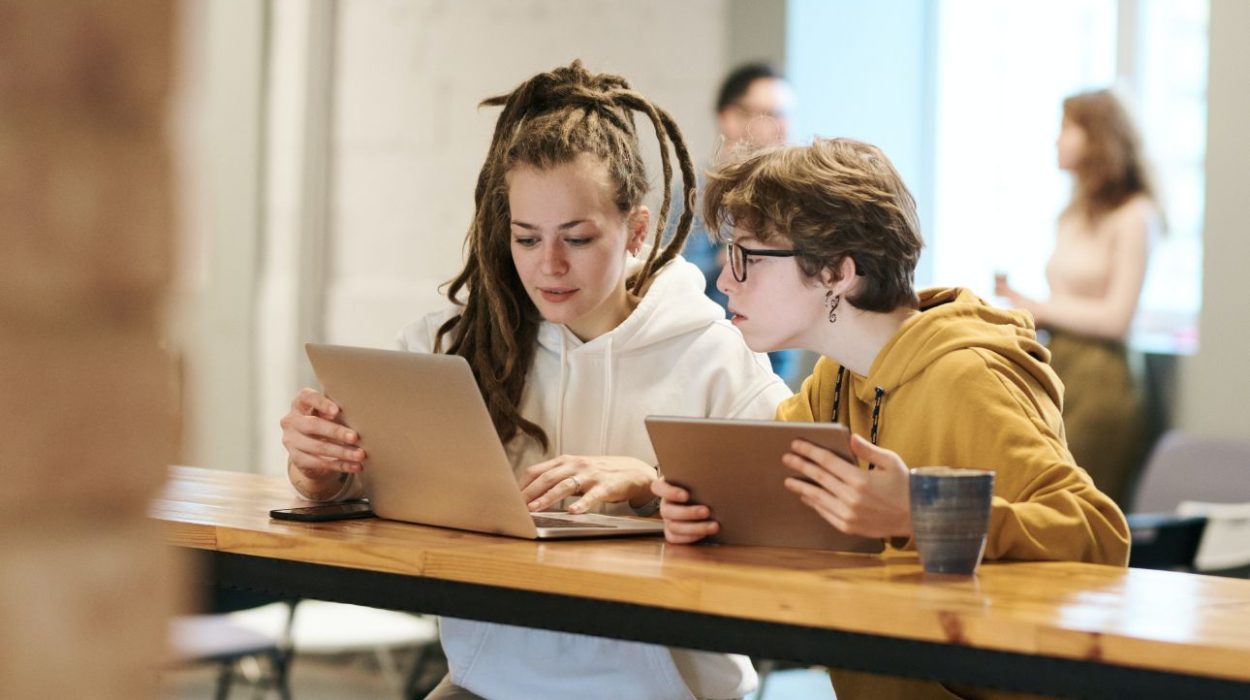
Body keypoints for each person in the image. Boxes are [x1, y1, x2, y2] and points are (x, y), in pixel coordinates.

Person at [279, 61, 791, 700]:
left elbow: (792, 521)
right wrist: (320, 473)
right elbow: (356, 488)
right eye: (526, 238)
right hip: (488, 684)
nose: (548, 265)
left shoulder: (713, 353)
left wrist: (650, 485)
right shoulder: (454, 347)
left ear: (636, 230)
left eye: (577, 238)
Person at [653, 137, 1130, 699]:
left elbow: (1100, 537)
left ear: (836, 271)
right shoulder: (834, 381)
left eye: (748, 257)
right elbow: (766, 489)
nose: (726, 280)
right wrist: (655, 489)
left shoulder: (967, 377)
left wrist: (920, 512)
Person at [996, 88, 1163, 506]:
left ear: (1099, 138)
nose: (1057, 140)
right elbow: (1065, 303)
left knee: (1077, 506)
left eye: (1067, 129)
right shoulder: (1071, 214)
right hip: (1059, 365)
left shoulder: (1135, 216)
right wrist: (1025, 308)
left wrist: (1041, 307)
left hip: (1104, 377)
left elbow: (1117, 319)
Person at [680, 62, 801, 383]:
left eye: (787, 115)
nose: (783, 129)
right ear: (731, 117)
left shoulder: (792, 196)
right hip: (704, 362)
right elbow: (676, 281)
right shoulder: (697, 194)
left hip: (776, 366)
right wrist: (739, 256)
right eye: (771, 115)